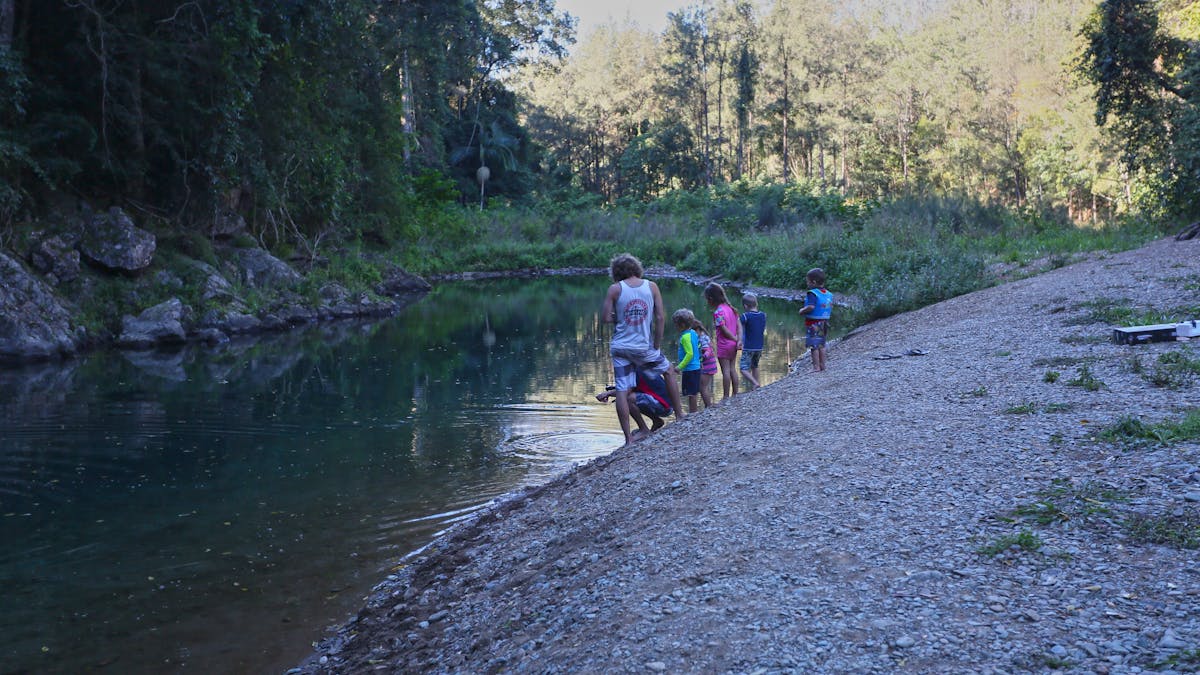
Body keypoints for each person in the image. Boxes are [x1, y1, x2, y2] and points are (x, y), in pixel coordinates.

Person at [602, 253, 685, 444]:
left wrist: (620, 317)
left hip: (620, 347)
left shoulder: (615, 289)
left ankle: (628, 439)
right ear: (636, 268)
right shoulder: (651, 286)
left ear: (616, 271)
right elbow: (660, 318)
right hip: (642, 346)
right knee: (669, 371)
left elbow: (606, 318)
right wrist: (656, 344)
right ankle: (680, 415)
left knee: (622, 390)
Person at [595, 368, 672, 435]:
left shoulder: (635, 370)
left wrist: (607, 393)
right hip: (666, 404)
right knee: (632, 398)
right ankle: (657, 421)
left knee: (628, 399)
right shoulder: (641, 366)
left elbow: (625, 392)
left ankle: (643, 429)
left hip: (664, 406)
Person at [704, 282, 740, 400]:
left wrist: (734, 338)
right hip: (733, 344)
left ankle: (725, 396)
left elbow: (723, 329)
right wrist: (738, 339)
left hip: (724, 345)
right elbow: (739, 325)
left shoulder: (718, 312)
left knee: (725, 370)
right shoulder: (731, 309)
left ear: (711, 299)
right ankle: (735, 393)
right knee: (732, 369)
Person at [798, 268, 833, 372]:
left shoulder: (812, 293)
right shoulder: (828, 293)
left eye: (808, 281)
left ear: (813, 282)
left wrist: (802, 310)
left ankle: (816, 367)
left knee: (814, 346)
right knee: (822, 345)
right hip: (825, 322)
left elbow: (811, 307)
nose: (807, 284)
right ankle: (823, 365)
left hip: (814, 323)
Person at [671, 309, 703, 413]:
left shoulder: (685, 337)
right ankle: (694, 411)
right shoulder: (693, 332)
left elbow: (690, 354)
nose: (675, 327)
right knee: (693, 392)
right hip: (695, 367)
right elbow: (698, 347)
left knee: (691, 393)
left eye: (676, 324)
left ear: (682, 324)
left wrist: (679, 367)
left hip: (690, 369)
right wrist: (700, 361)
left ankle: (693, 413)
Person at [739, 292, 766, 391]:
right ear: (756, 304)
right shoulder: (763, 315)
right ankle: (757, 385)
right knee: (755, 366)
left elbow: (740, 330)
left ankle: (755, 383)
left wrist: (739, 341)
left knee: (743, 368)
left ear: (745, 306)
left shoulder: (745, 316)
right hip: (759, 346)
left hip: (748, 346)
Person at [692, 318, 717, 408]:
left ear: (698, 329)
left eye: (693, 331)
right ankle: (708, 404)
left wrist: (703, 357)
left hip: (707, 365)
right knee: (703, 386)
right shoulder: (703, 336)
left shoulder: (702, 338)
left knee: (703, 387)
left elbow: (708, 350)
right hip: (709, 365)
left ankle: (708, 405)